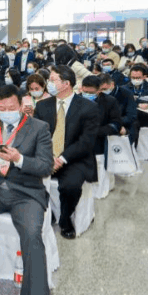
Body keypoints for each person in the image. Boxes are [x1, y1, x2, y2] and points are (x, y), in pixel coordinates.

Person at [34, 65, 100, 239]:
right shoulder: (42, 106)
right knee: (23, 177)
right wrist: (48, 157)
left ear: (66, 84)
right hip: (47, 156)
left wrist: (62, 158)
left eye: (52, 80)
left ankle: (65, 219)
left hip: (75, 158)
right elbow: (36, 136)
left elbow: (86, 141)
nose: (48, 83)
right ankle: (45, 214)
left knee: (70, 186)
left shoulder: (88, 107)